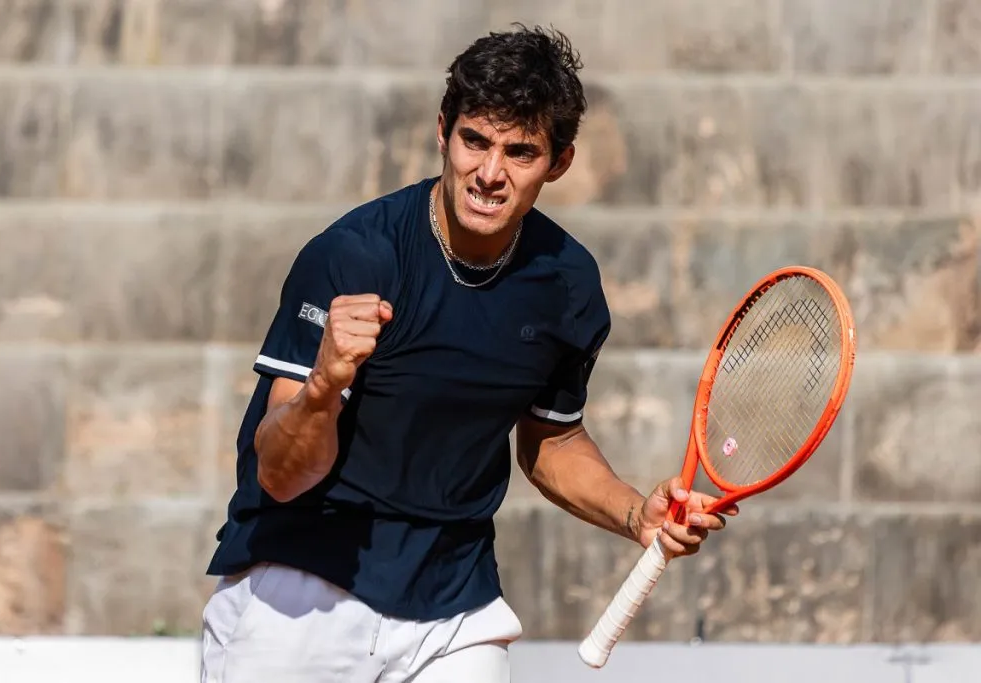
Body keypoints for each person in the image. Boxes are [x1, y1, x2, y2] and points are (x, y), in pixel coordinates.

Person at [200, 24, 738, 683]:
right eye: (474, 141)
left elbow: (551, 439)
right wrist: (322, 385)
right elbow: (280, 474)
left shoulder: (568, 284)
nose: (488, 172)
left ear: (560, 161)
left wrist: (635, 514)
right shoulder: (352, 255)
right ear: (442, 131)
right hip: (300, 588)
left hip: (455, 607)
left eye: (520, 152)